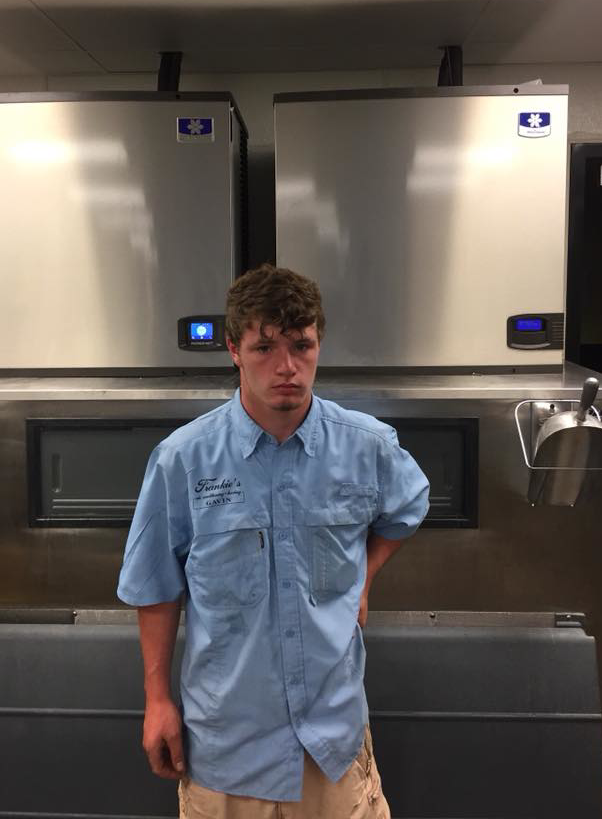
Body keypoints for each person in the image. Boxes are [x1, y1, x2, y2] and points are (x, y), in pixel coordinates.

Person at [117, 264, 430, 819]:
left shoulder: (369, 446)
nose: (286, 367)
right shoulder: (183, 460)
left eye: (301, 346)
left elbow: (406, 508)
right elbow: (155, 587)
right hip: (225, 751)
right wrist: (158, 700)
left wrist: (363, 574)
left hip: (332, 746)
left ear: (318, 344)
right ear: (234, 350)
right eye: (265, 348)